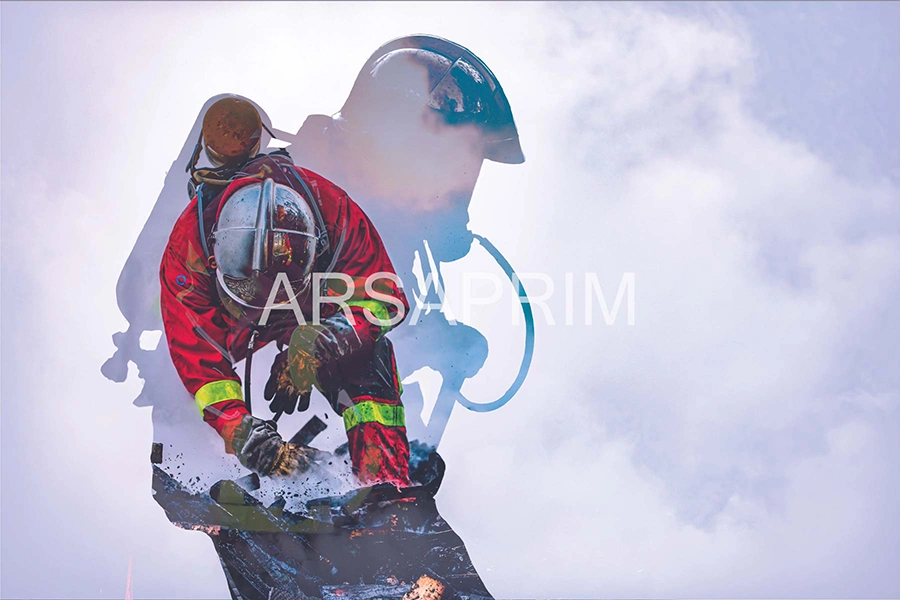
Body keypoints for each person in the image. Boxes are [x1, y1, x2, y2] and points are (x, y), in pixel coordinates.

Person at [159, 96, 411, 485]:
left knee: (368, 357)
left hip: (313, 307)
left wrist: (319, 342)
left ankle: (384, 485)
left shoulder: (332, 210)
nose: (270, 302)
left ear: (314, 244)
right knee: (180, 392)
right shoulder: (187, 251)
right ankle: (188, 464)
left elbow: (383, 300)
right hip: (237, 324)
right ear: (214, 261)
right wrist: (240, 430)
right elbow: (199, 358)